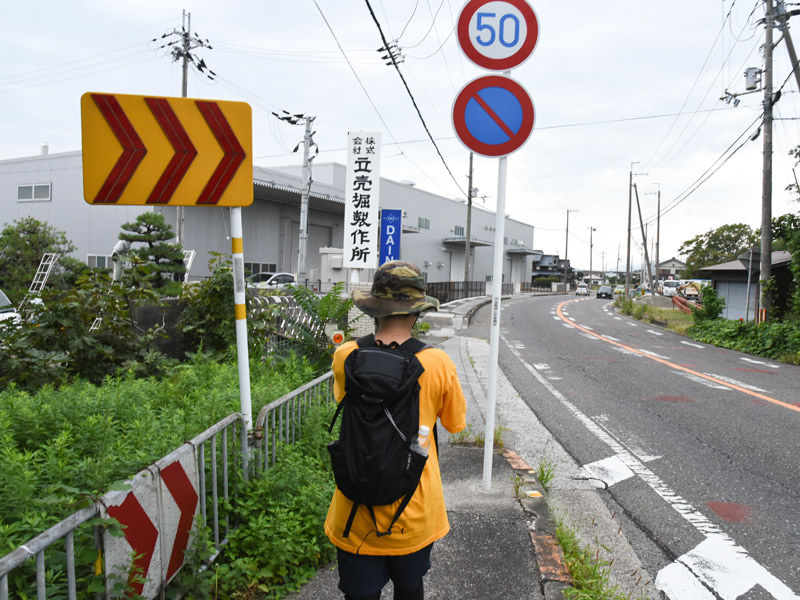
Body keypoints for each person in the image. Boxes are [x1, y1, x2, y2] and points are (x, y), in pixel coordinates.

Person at [324, 260, 467, 600]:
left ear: (375, 309)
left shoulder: (346, 356)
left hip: (355, 509)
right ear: (417, 311)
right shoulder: (437, 363)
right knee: (410, 589)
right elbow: (454, 423)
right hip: (415, 508)